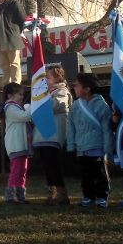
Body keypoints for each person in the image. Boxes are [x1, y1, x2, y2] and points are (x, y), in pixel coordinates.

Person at [66, 73, 113, 208]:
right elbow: (71, 127)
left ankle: (102, 197)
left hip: (97, 146)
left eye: (77, 85)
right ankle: (88, 196)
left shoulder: (101, 105)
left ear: (87, 89)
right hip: (81, 147)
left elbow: (106, 128)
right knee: (85, 175)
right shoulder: (75, 106)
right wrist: (71, 144)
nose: (74, 88)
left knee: (100, 173)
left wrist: (108, 147)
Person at [32, 64, 72, 205]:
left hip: (53, 133)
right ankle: (53, 191)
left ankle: (61, 193)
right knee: (47, 164)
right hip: (43, 134)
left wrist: (41, 100)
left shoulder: (62, 91)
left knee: (53, 163)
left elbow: (56, 105)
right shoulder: (48, 92)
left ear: (57, 78)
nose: (45, 80)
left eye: (47, 77)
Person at [0, 0, 26, 85]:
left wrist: (16, 32)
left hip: (11, 39)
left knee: (14, 63)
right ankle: (6, 85)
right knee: (4, 65)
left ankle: (16, 84)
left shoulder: (14, 4)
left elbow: (23, 20)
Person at [2, 83, 31, 203]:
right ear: (10, 96)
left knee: (22, 171)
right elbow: (25, 116)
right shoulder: (10, 108)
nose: (22, 97)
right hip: (15, 145)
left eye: (22, 94)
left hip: (21, 145)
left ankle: (20, 196)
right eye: (19, 94)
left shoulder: (17, 107)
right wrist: (31, 106)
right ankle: (11, 196)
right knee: (16, 171)